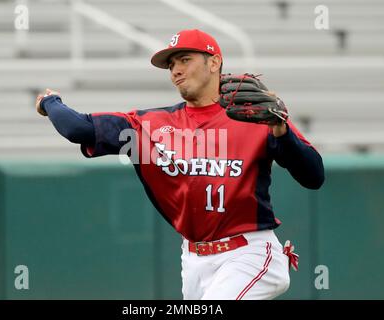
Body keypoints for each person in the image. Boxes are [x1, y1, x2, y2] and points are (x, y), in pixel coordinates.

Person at [35, 29, 324, 300]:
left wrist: (282, 133)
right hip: (193, 259)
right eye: (171, 64)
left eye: (185, 59)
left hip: (248, 252)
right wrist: (51, 102)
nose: (176, 70)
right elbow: (78, 130)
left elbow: (314, 176)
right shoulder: (148, 127)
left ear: (214, 63)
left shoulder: (256, 118)